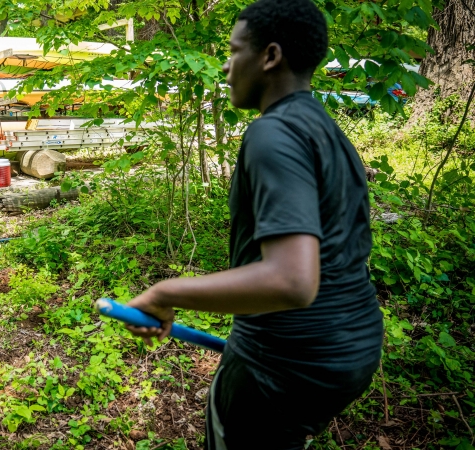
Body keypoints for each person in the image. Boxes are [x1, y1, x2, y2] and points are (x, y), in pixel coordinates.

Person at [124, 0, 384, 448]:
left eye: (234, 50)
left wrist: (165, 292)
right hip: (352, 345)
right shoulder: (325, 127)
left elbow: (291, 280)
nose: (225, 67)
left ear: (270, 56)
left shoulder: (272, 133)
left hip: (284, 357)